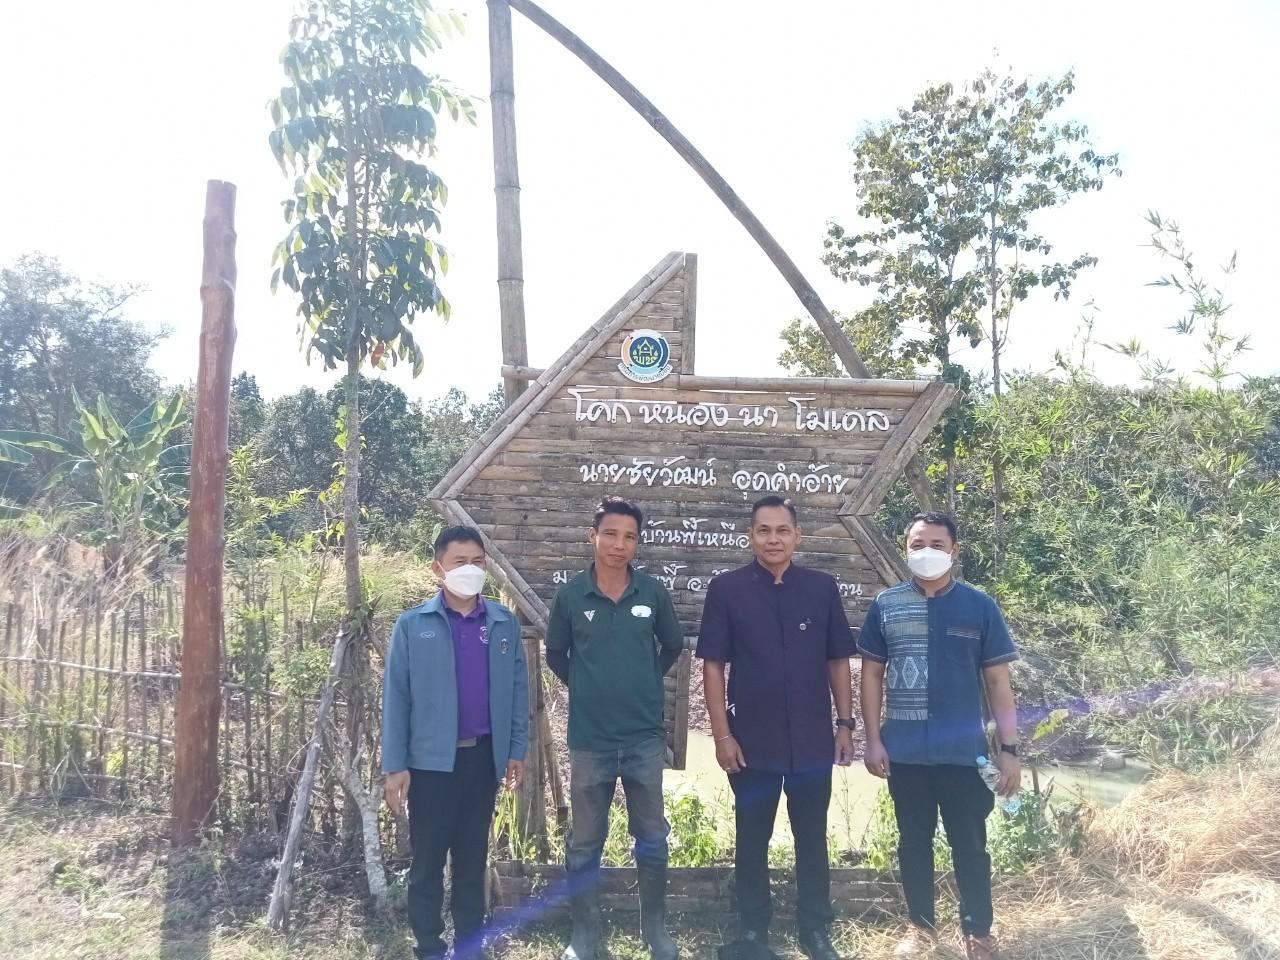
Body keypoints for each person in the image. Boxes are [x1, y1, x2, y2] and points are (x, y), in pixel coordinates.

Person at [697, 495, 857, 960]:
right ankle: (752, 931)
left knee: (812, 836)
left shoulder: (821, 588)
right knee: (752, 838)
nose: (773, 539)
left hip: (811, 740)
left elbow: (837, 660)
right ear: (750, 536)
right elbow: (712, 666)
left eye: (782, 530)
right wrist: (723, 735)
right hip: (750, 743)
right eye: (764, 530)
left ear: (797, 536)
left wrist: (845, 725)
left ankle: (815, 930)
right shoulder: (727, 589)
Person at [857, 512, 1021, 960]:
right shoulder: (886, 605)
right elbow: (871, 675)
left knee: (969, 843)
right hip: (904, 752)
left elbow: (998, 684)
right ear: (905, 547)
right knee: (913, 842)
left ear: (954, 550)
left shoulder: (979, 607)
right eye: (917, 543)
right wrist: (872, 739)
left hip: (964, 754)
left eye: (935, 544)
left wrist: (1009, 751)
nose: (925, 552)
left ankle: (978, 933)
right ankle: (920, 930)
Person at [546, 496, 685, 960]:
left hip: (644, 737)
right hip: (590, 741)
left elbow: (671, 646)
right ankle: (585, 934)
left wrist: (641, 684)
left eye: (629, 537)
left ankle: (656, 932)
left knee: (651, 837)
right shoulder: (569, 596)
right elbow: (556, 656)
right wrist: (589, 689)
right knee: (585, 842)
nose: (619, 545)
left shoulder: (652, 593)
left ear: (637, 544)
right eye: (610, 534)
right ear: (593, 536)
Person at [381, 525, 529, 960]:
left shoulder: (502, 623)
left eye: (478, 562)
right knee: (427, 862)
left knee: (472, 860)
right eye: (460, 562)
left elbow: (517, 692)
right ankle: (428, 945)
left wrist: (515, 750)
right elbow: (396, 698)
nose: (470, 570)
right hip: (429, 765)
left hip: (482, 761)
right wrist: (395, 766)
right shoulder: (413, 626)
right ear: (437, 569)